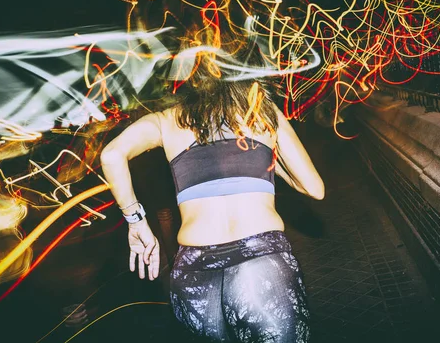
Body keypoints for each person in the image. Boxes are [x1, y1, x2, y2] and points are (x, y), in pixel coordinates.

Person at [100, 44, 325, 342]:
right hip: (258, 261)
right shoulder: (263, 113)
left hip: (193, 273)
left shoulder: (166, 120)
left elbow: (112, 155)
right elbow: (314, 188)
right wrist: (270, 156)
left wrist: (136, 221)